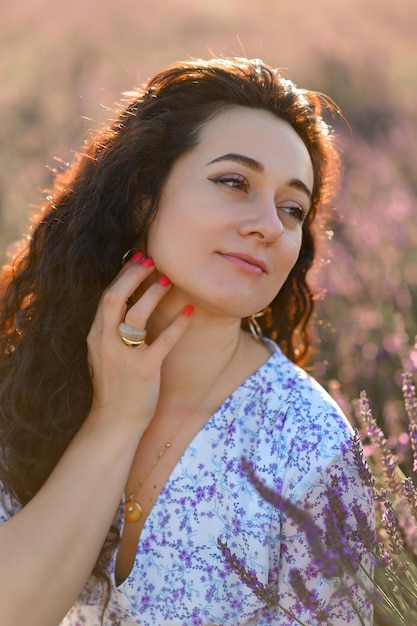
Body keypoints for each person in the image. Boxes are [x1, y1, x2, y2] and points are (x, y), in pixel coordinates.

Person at [0, 57, 374, 626]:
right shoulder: (23, 370)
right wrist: (115, 421)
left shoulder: (309, 446)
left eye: (292, 209)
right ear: (140, 196)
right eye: (234, 182)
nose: (270, 226)